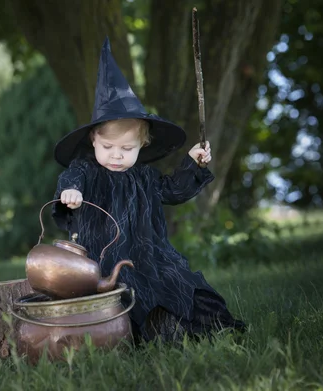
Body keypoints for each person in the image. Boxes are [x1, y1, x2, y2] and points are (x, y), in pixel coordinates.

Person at [51, 37, 246, 343]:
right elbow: (69, 180)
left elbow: (174, 191)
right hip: (105, 262)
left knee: (182, 285)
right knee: (125, 293)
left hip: (152, 257)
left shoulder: (145, 177)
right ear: (92, 140)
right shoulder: (85, 170)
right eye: (108, 146)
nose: (117, 155)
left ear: (142, 145)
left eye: (127, 148)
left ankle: (184, 328)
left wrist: (193, 164)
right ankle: (145, 334)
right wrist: (71, 194)